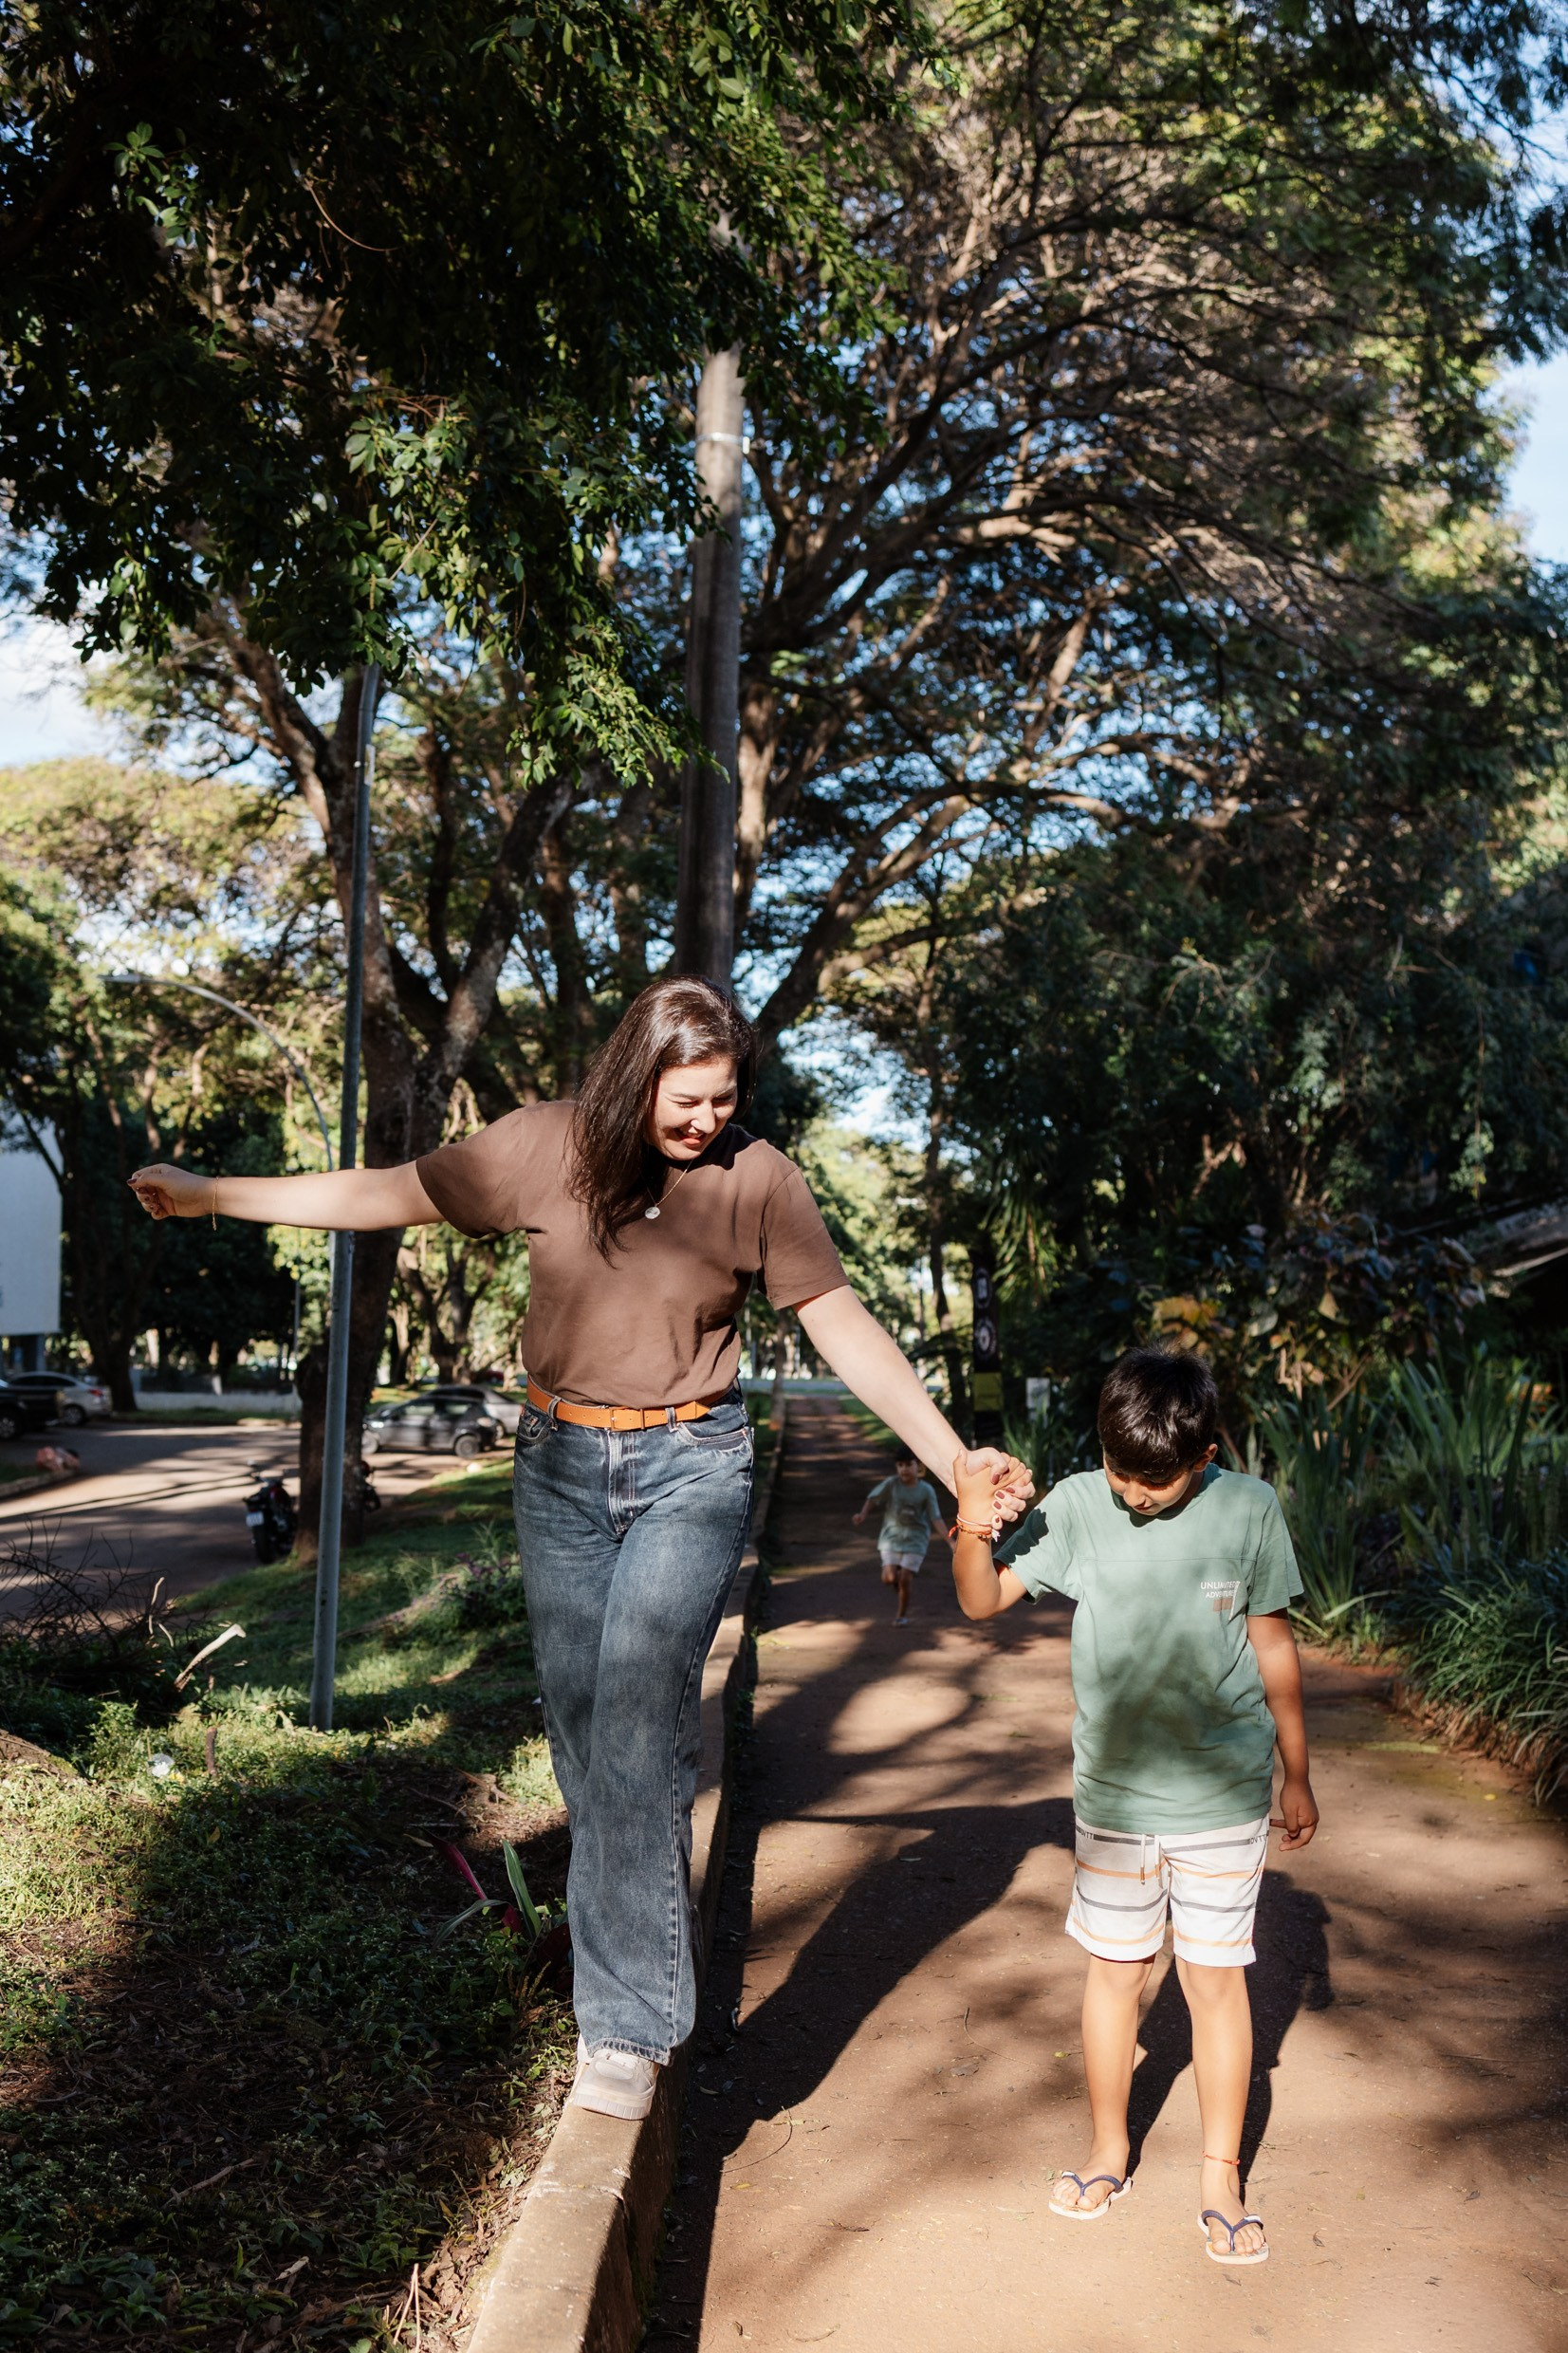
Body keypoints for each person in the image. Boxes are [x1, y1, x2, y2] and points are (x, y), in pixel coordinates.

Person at [129, 975, 1031, 2123]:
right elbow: (387, 1191)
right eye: (687, 1098)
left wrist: (952, 1457)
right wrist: (212, 1194)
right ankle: (628, 1945)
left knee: (643, 1721)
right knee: (584, 1729)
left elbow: (837, 1318)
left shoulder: (760, 1177)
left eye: (724, 1098)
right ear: (634, 1076)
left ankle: (628, 2028)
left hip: (694, 1465)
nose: (707, 1118)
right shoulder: (540, 1146)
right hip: (557, 1465)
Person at [947, 1346, 1319, 2268]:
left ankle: (1220, 2175)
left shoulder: (1250, 1508)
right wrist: (971, 1519)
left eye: (1157, 1479)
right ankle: (1108, 2148)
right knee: (1115, 1973)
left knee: (1214, 1983)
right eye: (1121, 1470)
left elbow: (1273, 1645)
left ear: (1205, 1455)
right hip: (1113, 1800)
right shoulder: (1080, 1504)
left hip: (1223, 1795)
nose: (1136, 1493)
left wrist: (1297, 1771)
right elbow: (982, 1599)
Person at [853, 1449, 947, 1624]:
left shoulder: (926, 1490)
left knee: (905, 1579)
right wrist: (862, 1514)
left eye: (909, 1465)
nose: (904, 1469)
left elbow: (936, 1517)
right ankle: (899, 1577)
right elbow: (873, 1498)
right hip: (891, 1538)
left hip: (916, 1539)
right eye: (900, 1465)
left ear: (919, 1466)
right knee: (889, 1578)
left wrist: (951, 1541)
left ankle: (901, 1616)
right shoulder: (892, 1484)